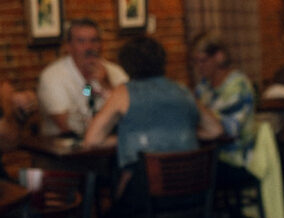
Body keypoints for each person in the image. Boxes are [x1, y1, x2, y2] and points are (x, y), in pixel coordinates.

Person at [82, 37, 223, 208]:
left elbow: (91, 139)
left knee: (118, 178)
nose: (90, 50)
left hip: (149, 195)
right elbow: (215, 130)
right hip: (194, 188)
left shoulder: (117, 79)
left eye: (93, 43)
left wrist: (136, 137)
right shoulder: (182, 89)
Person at [37, 18, 129, 137]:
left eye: (94, 41)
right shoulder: (53, 77)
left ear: (101, 45)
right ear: (69, 46)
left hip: (110, 145)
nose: (89, 47)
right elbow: (67, 126)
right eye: (81, 41)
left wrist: (106, 85)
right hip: (65, 148)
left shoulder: (115, 72)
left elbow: (132, 114)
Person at [190, 34, 257, 186]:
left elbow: (228, 130)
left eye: (203, 61)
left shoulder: (238, 85)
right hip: (210, 156)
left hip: (235, 158)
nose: (199, 67)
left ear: (219, 57)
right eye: (196, 62)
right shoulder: (203, 87)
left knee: (191, 176)